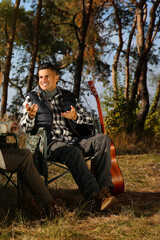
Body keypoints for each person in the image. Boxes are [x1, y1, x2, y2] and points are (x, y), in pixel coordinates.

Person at [0, 61, 63, 219]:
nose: (2, 78)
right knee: (25, 161)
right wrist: (4, 128)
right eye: (1, 75)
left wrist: (8, 125)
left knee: (26, 154)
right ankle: (49, 204)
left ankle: (28, 202)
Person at [20, 63, 117, 212]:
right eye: (40, 77)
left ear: (56, 78)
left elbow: (89, 119)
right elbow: (24, 128)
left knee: (103, 140)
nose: (43, 80)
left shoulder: (68, 96)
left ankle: (104, 189)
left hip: (74, 140)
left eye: (47, 76)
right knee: (72, 152)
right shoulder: (32, 97)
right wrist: (31, 117)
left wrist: (76, 116)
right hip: (51, 143)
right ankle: (94, 197)